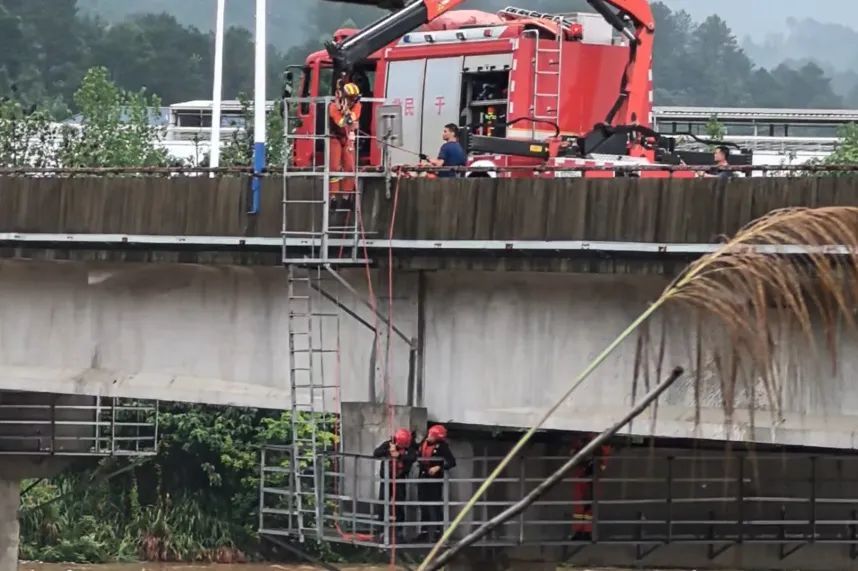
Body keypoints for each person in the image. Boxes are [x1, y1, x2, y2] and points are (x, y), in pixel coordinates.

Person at [373, 428, 417, 541]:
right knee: (383, 503)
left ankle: (399, 531)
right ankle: (381, 529)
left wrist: (399, 455)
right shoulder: (389, 444)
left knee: (399, 505)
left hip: (400, 479)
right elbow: (376, 453)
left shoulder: (409, 448)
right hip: (387, 479)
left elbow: (413, 457)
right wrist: (389, 451)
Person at [416, 424, 456, 542]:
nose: (429, 437)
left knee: (435, 506)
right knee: (423, 505)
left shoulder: (442, 447)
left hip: (435, 480)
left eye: (432, 435)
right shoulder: (423, 443)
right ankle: (423, 533)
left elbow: (452, 462)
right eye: (429, 434)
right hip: (423, 477)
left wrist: (439, 467)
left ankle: (439, 533)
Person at [570, 433, 613, 541]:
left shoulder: (602, 447)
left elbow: (602, 463)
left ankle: (586, 532)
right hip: (583, 476)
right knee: (580, 507)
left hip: (591, 477)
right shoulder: (583, 441)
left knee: (588, 507)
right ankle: (579, 531)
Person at [328, 82, 363, 204]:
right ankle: (333, 197)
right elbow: (341, 122)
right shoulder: (333, 106)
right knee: (334, 168)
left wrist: (348, 114)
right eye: (351, 98)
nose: (353, 100)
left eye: (355, 98)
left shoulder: (357, 105)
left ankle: (346, 197)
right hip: (335, 137)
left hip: (348, 137)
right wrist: (346, 114)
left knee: (350, 167)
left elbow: (353, 117)